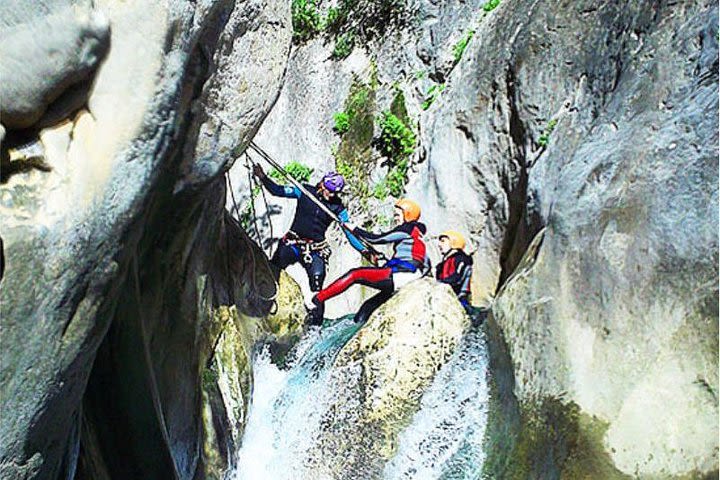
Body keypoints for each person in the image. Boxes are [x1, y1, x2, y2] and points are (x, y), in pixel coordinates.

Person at [253, 165, 366, 311]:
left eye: (335, 193)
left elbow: (349, 233)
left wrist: (363, 250)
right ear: (322, 185)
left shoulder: (338, 208)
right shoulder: (304, 191)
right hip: (293, 243)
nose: (332, 195)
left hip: (315, 250)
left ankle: (315, 325)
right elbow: (278, 191)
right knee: (274, 266)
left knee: (318, 284)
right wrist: (263, 177)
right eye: (330, 191)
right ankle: (261, 301)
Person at [308, 198, 430, 325]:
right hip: (409, 277)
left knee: (355, 274)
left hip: (400, 276)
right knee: (368, 307)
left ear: (407, 214)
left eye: (397, 215)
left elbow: (377, 239)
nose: (395, 218)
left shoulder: (408, 229)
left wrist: (355, 229)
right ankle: (358, 326)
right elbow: (426, 264)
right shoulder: (419, 236)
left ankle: (317, 299)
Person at [435, 230, 473, 311]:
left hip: (459, 297)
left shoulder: (461, 259)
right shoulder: (442, 264)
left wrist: (439, 284)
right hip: (444, 295)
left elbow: (457, 278)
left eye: (443, 241)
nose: (439, 245)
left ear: (453, 242)